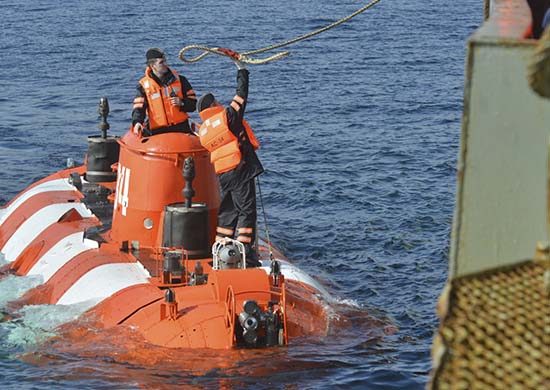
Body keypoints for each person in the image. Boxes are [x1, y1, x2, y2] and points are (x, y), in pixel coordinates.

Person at [196, 60, 264, 267]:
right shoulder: (227, 117)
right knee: (246, 211)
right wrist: (242, 69)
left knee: (228, 213)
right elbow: (241, 96)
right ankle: (247, 255)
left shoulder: (203, 131)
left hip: (223, 174)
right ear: (213, 105)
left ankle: (218, 251)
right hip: (240, 169)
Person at [132, 48, 197, 136]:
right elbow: (139, 109)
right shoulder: (143, 86)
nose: (166, 64)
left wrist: (182, 103)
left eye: (165, 61)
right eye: (161, 62)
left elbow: (193, 105)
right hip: (157, 131)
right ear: (152, 66)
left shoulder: (180, 80)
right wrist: (137, 122)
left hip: (181, 128)